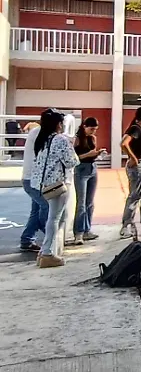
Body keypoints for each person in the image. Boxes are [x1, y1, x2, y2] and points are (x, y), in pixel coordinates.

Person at [30, 109, 79, 268]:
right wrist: (72, 146)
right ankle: (47, 254)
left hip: (42, 185)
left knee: (54, 217)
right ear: (58, 124)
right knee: (55, 218)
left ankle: (45, 251)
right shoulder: (60, 139)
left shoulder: (41, 138)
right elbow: (72, 161)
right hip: (57, 184)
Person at [120, 107, 141, 238]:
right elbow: (124, 143)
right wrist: (133, 158)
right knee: (135, 195)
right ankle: (126, 225)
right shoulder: (134, 128)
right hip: (139, 164)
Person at [70, 117, 105, 244]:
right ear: (84, 126)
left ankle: (87, 230)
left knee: (90, 203)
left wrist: (97, 153)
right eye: (91, 129)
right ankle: (78, 233)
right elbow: (74, 158)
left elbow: (93, 153)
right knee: (81, 203)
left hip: (92, 168)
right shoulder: (77, 139)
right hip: (81, 169)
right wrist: (88, 155)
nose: (93, 132)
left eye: (95, 129)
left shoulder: (93, 138)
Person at [18, 121, 47, 253]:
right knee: (46, 207)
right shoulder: (41, 134)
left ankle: (27, 239)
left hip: (31, 179)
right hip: (33, 180)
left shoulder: (35, 133)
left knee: (36, 210)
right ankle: (48, 233)